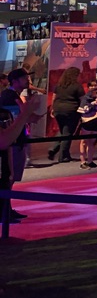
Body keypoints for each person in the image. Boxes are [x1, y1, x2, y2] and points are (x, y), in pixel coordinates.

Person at [1, 89, 45, 223]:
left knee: (7, 182)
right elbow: (3, 141)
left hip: (10, 153)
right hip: (10, 150)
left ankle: (6, 211)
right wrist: (25, 113)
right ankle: (4, 212)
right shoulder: (8, 99)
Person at [48, 66, 85, 163]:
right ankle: (63, 156)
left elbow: (54, 97)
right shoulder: (77, 86)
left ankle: (54, 149)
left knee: (63, 130)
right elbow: (83, 100)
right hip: (71, 111)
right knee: (68, 133)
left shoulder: (59, 85)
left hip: (58, 110)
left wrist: (52, 109)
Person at [77, 79, 97, 168]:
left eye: (95, 85)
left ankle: (90, 161)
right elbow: (83, 110)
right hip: (87, 122)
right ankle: (82, 162)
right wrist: (93, 104)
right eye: (91, 86)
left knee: (92, 142)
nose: (93, 87)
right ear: (88, 87)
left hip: (95, 122)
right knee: (84, 141)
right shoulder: (85, 98)